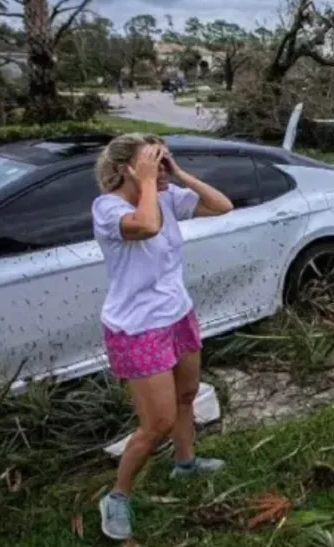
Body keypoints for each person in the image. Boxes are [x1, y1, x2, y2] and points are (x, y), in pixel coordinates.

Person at [91, 133, 234, 540]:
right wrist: (151, 183)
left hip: (177, 313)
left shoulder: (167, 196)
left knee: (188, 395)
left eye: (162, 159)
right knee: (157, 423)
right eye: (152, 161)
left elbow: (222, 205)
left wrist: (177, 173)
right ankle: (117, 496)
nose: (160, 166)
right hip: (137, 327)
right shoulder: (107, 208)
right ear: (125, 170)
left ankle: (185, 463)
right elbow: (147, 226)